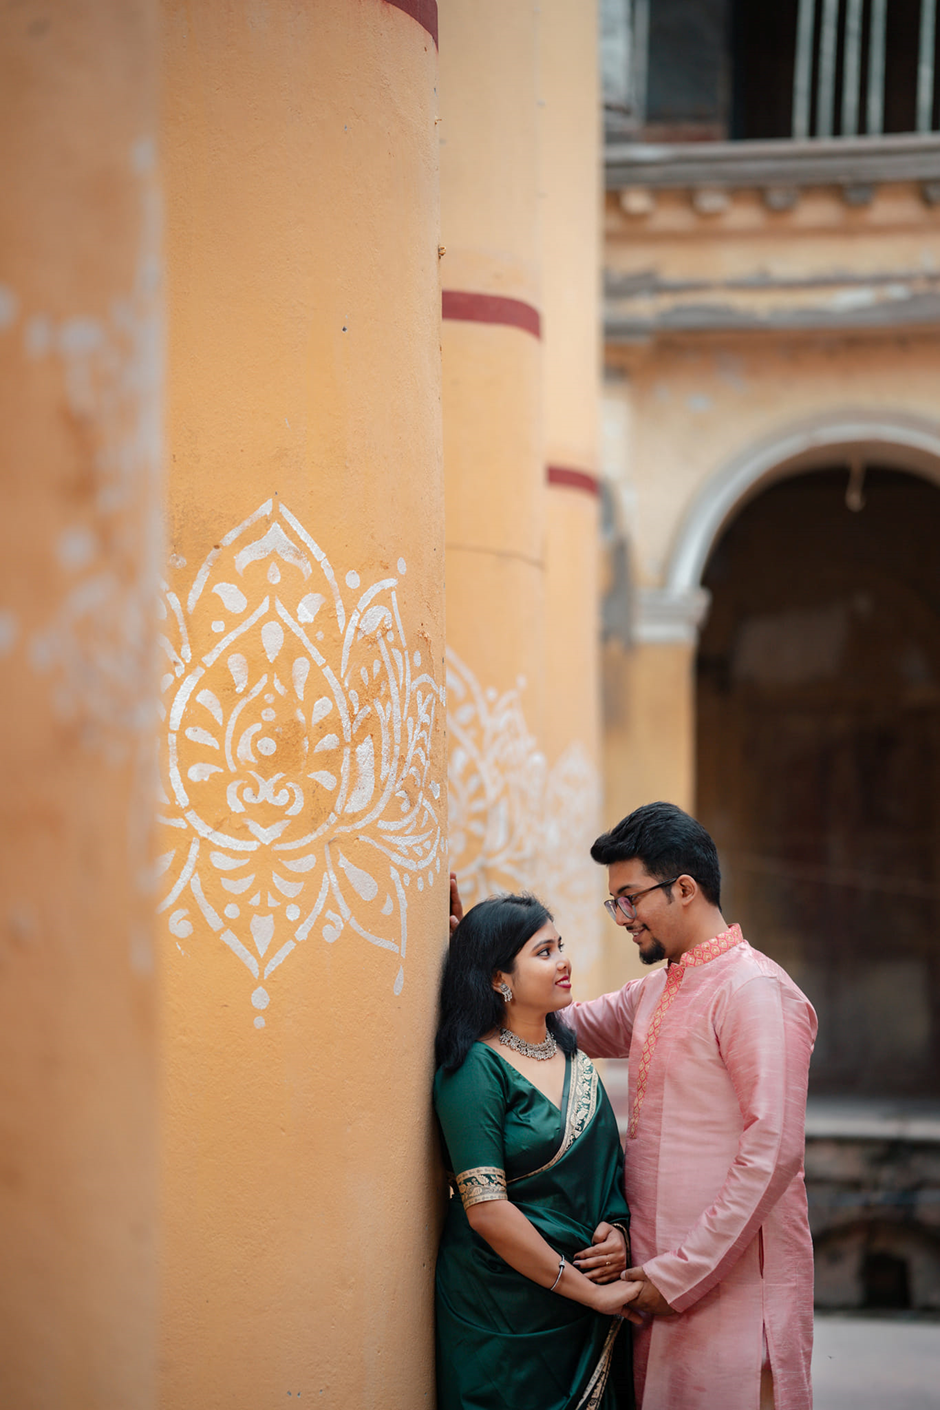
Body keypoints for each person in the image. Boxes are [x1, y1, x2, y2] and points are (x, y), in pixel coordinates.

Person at [565, 802, 817, 1410]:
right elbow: (553, 1027)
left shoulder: (754, 991)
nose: (622, 917)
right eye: (614, 903)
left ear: (683, 888)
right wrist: (478, 953)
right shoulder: (655, 990)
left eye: (630, 898)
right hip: (655, 1285)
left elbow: (772, 1153)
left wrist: (677, 1276)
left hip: (730, 1290)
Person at [434, 892, 639, 1409]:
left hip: (584, 1307)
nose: (563, 961)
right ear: (499, 978)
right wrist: (590, 1292)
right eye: (543, 952)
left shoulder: (578, 1061)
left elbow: (607, 1172)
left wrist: (616, 1230)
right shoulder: (474, 1070)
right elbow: (487, 1212)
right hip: (503, 1313)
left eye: (560, 946)